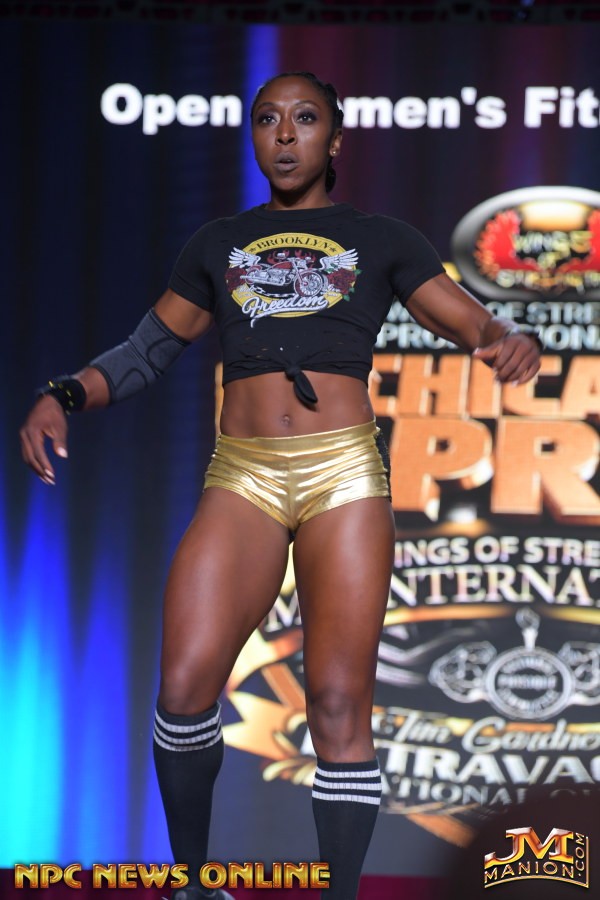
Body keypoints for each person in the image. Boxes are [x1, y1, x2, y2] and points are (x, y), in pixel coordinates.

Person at [20, 72, 541, 900]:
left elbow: (467, 317)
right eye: (269, 119)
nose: (286, 134)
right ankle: (196, 885)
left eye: (305, 119)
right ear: (255, 137)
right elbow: (147, 350)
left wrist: (504, 334)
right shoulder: (219, 242)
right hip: (245, 472)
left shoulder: (382, 238)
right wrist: (64, 392)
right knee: (184, 686)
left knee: (336, 701)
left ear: (335, 140)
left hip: (342, 472)